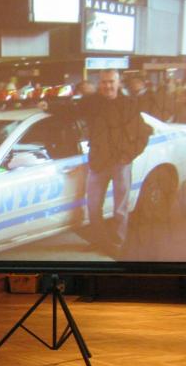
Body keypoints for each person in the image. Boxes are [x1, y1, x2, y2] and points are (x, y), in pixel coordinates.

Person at [40, 69, 151, 256]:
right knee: (93, 205)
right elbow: (70, 111)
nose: (108, 86)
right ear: (99, 84)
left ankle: (117, 242)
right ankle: (99, 241)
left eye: (111, 82)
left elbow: (144, 133)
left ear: (118, 83)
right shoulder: (91, 102)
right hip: (99, 162)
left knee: (120, 208)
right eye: (104, 82)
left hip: (121, 163)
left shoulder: (129, 104)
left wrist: (128, 156)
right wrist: (48, 106)